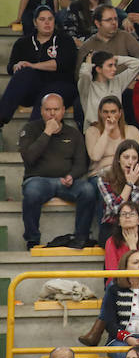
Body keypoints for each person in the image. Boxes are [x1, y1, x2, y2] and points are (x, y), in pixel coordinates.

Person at [19, 94, 91, 249]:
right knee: (31, 193)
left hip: (66, 182)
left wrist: (72, 175)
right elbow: (29, 158)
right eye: (48, 109)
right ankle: (32, 238)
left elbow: (81, 163)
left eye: (56, 109)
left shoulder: (73, 133)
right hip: (38, 180)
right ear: (41, 111)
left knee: (88, 190)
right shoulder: (30, 129)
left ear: (63, 110)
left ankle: (81, 236)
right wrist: (47, 133)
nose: (52, 114)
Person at [0, 6, 77, 127]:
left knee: (46, 96)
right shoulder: (23, 43)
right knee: (24, 72)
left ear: (54, 21)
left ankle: (32, 134)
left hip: (61, 87)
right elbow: (10, 67)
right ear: (35, 22)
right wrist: (17, 66)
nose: (47, 22)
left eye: (50, 19)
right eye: (42, 19)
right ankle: (1, 117)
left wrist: (32, 65)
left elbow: (62, 64)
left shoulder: (65, 40)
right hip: (32, 90)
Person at [97, 140, 139, 245]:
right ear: (118, 159)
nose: (130, 162)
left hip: (136, 224)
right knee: (111, 241)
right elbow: (115, 209)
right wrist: (129, 184)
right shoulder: (104, 177)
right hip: (113, 223)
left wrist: (132, 223)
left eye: (134, 158)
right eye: (126, 157)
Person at [84, 96, 139, 181]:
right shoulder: (92, 131)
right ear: (100, 113)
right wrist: (106, 131)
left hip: (127, 173)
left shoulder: (132, 130)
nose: (109, 115)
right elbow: (95, 157)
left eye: (113, 112)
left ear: (120, 113)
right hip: (100, 175)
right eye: (105, 112)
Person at [77, 51, 139, 129]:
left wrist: (116, 58)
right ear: (98, 69)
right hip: (95, 130)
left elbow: (138, 64)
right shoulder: (87, 86)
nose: (114, 69)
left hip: (116, 130)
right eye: (110, 65)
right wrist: (88, 63)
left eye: (115, 65)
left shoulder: (118, 81)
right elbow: (85, 74)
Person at [58, 0, 124, 44]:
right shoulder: (75, 7)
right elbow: (69, 34)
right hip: (82, 46)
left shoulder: (107, 10)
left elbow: (115, 30)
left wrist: (126, 20)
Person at [75, 4, 139, 68]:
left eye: (115, 19)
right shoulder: (87, 46)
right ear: (98, 23)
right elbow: (79, 75)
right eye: (109, 20)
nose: (114, 23)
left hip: (127, 81)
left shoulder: (125, 36)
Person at [104, 201, 139, 276]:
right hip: (119, 282)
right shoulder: (111, 241)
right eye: (124, 214)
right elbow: (112, 273)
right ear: (119, 221)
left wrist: (132, 246)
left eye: (132, 214)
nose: (127, 216)